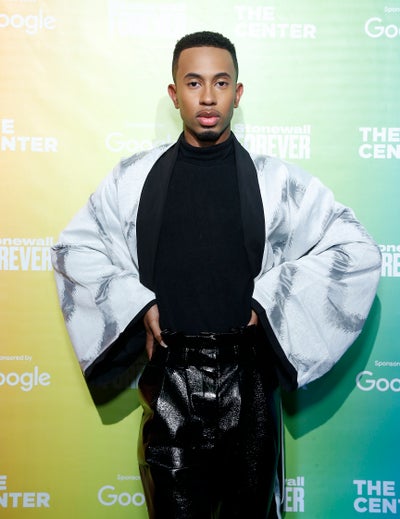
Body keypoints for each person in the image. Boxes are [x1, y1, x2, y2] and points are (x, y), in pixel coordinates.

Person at [51, 31, 381, 519]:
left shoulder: (277, 182)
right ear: (174, 94)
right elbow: (74, 249)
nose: (208, 97)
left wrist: (271, 302)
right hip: (170, 378)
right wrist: (138, 305)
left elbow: (356, 249)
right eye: (194, 83)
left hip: (249, 382)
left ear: (237, 93)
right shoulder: (132, 179)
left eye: (221, 83)